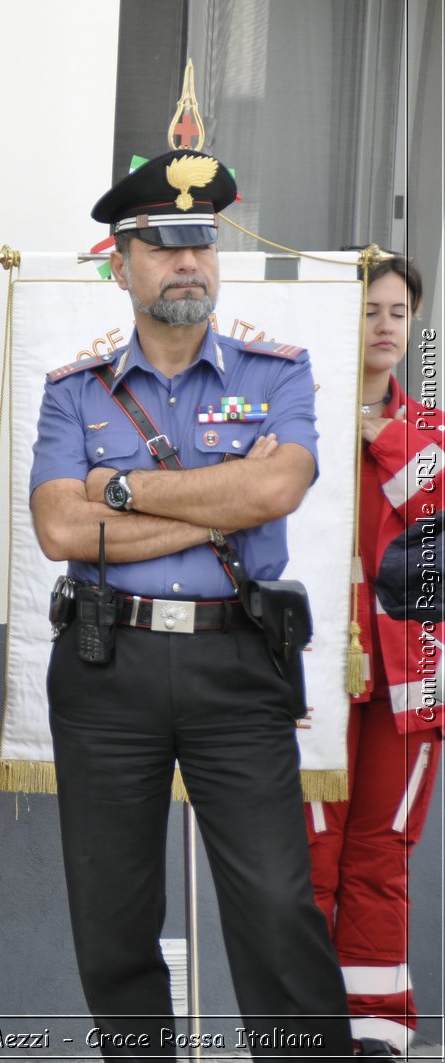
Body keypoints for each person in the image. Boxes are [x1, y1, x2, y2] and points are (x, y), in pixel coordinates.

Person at [28, 149, 348, 1057]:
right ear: (119, 262)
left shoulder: (277, 369)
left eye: (203, 243)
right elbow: (58, 527)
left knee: (278, 903)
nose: (189, 263)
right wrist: (224, 492)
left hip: (238, 662)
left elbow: (274, 492)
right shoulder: (72, 392)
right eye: (165, 246)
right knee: (113, 914)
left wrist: (121, 493)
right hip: (106, 668)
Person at [305, 253, 437, 1055]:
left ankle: (378, 1030)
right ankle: (304, 1021)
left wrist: (387, 442)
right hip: (315, 668)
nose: (384, 325)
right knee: (311, 854)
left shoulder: (431, 432)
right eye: (369, 310)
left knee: (381, 853)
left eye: (397, 311)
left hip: (408, 673)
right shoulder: (300, 420)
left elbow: (436, 529)